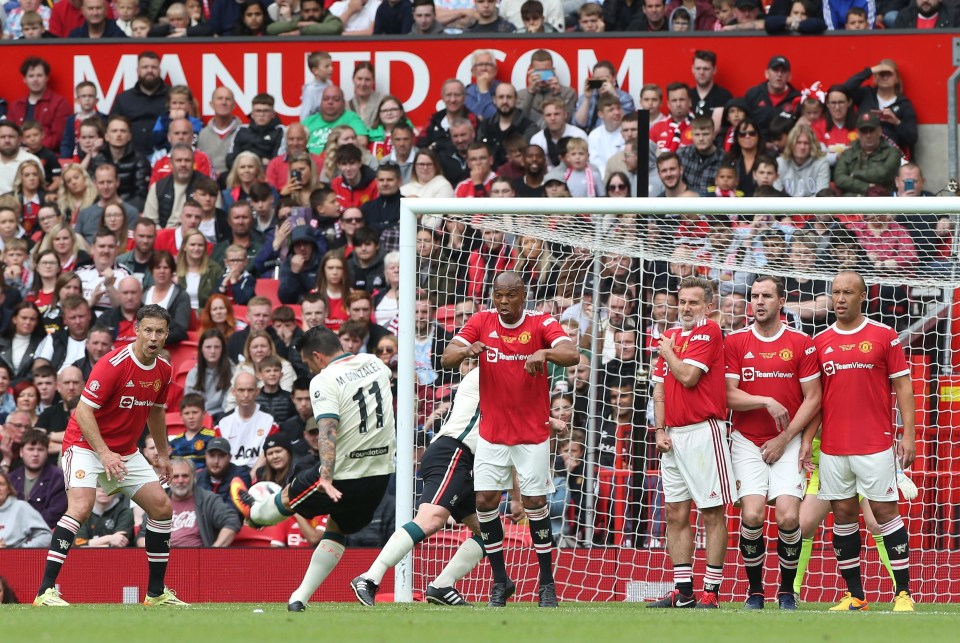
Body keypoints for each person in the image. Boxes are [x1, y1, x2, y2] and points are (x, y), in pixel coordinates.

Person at [230, 326, 396, 612]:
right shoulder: (374, 363)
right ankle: (299, 598)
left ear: (317, 356)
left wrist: (327, 475)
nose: (310, 367)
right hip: (380, 475)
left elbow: (328, 429)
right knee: (337, 528)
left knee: (289, 494)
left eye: (307, 363)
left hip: (344, 474)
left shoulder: (324, 379)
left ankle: (254, 513)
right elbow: (385, 378)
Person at [34, 305, 188, 607]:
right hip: (85, 445)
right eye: (148, 330)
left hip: (125, 451)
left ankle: (156, 594)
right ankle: (45, 591)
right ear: (137, 330)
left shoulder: (164, 370)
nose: (153, 337)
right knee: (80, 507)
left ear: (167, 334)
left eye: (160, 331)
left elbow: (156, 414)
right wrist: (103, 454)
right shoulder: (114, 363)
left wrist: (164, 455)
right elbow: (83, 410)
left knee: (161, 508)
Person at [441, 271, 579, 607]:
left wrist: (544, 354)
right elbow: (447, 357)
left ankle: (547, 585)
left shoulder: (541, 322)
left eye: (511, 295)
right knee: (486, 502)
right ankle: (501, 581)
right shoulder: (480, 320)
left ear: (523, 295)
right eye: (498, 295)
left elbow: (572, 354)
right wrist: (465, 350)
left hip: (532, 433)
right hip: (492, 433)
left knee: (533, 504)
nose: (504, 302)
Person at [804, 270, 916, 612]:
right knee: (842, 515)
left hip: (875, 442)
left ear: (862, 296)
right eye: (835, 292)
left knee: (884, 512)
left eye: (847, 293)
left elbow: (904, 387)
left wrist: (908, 434)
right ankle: (856, 596)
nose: (840, 299)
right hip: (834, 447)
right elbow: (815, 399)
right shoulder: (820, 341)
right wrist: (807, 443)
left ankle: (903, 594)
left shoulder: (884, 336)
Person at [351, 367, 489, 606]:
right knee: (431, 519)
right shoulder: (488, 373)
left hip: (465, 460)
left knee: (490, 532)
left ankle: (442, 586)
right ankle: (369, 577)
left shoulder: (502, 374)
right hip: (453, 452)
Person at [724, 276, 821, 610]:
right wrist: (764, 399)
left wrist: (785, 438)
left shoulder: (802, 342)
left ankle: (784, 590)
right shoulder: (735, 341)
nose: (759, 302)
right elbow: (728, 395)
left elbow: (814, 399)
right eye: (754, 296)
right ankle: (754, 592)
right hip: (747, 440)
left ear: (781, 302)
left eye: (766, 296)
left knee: (788, 517)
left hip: (788, 440)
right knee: (751, 514)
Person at [648, 276, 733, 609]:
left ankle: (711, 590)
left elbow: (687, 376)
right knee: (674, 513)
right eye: (682, 301)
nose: (685, 308)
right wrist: (659, 429)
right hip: (673, 436)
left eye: (693, 302)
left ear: (707, 306)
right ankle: (683, 592)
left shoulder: (708, 331)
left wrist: (667, 350)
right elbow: (659, 389)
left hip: (703, 432)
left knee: (711, 512)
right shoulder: (671, 335)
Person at [8, 429, 68, 529]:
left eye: (40, 449)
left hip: (44, 533)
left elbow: (55, 513)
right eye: (31, 449)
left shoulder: (59, 478)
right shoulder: (11, 478)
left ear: (47, 452)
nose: (35, 454)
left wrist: (25, 524)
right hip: (13, 533)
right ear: (21, 452)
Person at [0, 470, 52, 548]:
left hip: (13, 558)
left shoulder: (20, 507)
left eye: (1, 484)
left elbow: (46, 536)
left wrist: (22, 550)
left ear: (8, 489)